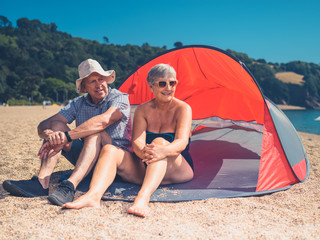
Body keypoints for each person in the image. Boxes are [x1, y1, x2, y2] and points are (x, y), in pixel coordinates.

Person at [63, 63, 194, 217]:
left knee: (159, 142)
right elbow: (137, 143)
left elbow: (181, 142)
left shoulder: (183, 108)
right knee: (110, 150)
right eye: (162, 84)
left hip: (176, 167)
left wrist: (161, 150)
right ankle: (93, 196)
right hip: (146, 163)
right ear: (151, 86)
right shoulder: (142, 110)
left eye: (172, 83)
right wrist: (144, 152)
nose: (169, 88)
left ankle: (142, 198)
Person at [3, 59, 132, 206]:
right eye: (92, 81)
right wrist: (49, 135)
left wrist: (66, 137)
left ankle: (70, 186)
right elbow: (44, 124)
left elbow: (103, 121)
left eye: (101, 79)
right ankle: (41, 182)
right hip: (88, 156)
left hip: (116, 159)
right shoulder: (79, 102)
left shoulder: (119, 97)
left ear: (106, 80)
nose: (99, 85)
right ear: (84, 86)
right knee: (56, 127)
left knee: (95, 133)